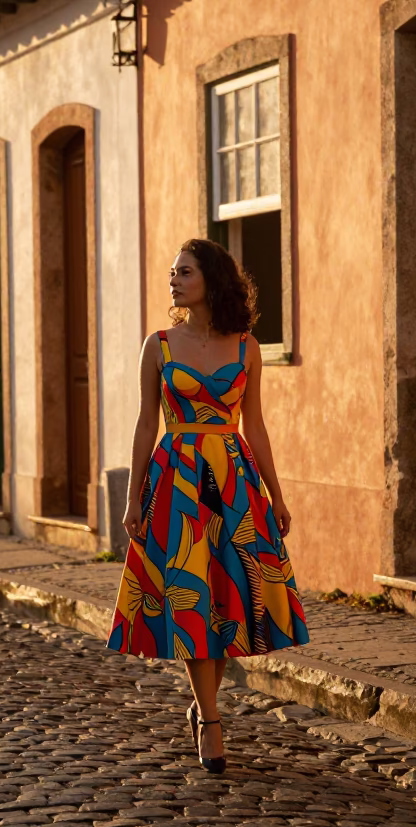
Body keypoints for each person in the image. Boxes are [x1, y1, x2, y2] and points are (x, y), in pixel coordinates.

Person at [106, 238, 311, 774]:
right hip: (177, 480)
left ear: (211, 279)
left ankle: (204, 707)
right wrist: (134, 495)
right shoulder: (159, 344)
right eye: (172, 273)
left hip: (233, 482)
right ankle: (213, 719)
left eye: (185, 272)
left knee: (225, 597)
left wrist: (276, 492)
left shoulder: (246, 346)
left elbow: (256, 425)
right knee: (192, 595)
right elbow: (146, 424)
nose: (174, 280)